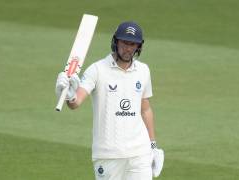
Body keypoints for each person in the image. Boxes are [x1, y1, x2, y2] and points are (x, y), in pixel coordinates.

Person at [56, 21, 164, 180]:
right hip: (108, 155)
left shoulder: (143, 70)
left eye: (133, 44)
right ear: (115, 42)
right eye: (124, 43)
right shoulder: (97, 69)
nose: (128, 48)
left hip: (139, 153)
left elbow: (145, 109)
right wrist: (69, 95)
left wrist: (153, 145)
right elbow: (75, 102)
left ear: (138, 47)